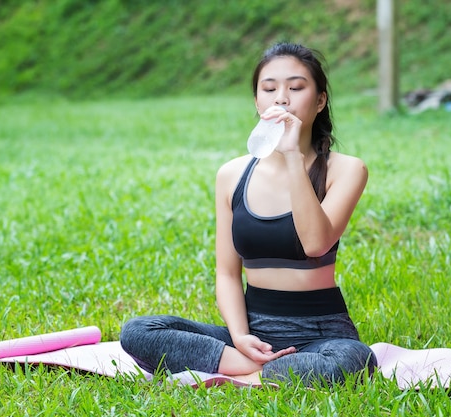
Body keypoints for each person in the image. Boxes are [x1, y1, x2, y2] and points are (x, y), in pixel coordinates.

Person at [120, 42, 377, 385]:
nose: (281, 98)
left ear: (320, 100)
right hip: (253, 335)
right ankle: (255, 368)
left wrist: (292, 158)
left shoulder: (346, 169)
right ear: (257, 102)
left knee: (350, 361)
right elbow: (227, 274)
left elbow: (315, 244)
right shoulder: (232, 174)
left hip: (321, 334)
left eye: (296, 88)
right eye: (269, 89)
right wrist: (240, 337)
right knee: (138, 331)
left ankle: (244, 371)